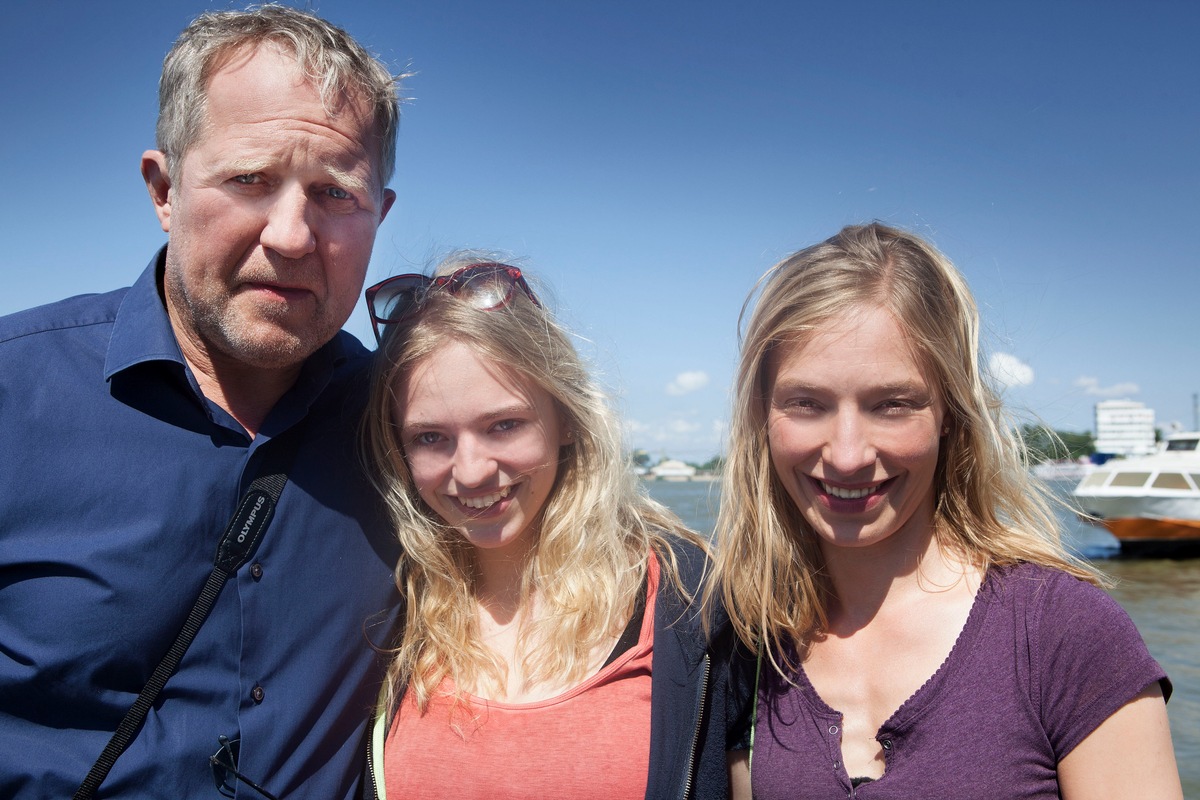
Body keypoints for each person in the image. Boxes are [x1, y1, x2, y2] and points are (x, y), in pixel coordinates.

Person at [0, 6, 402, 798]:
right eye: (249, 179)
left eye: (334, 193)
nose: (292, 235)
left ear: (379, 216)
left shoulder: (406, 432)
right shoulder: (16, 397)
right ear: (163, 188)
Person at [707, 222, 1182, 799]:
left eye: (893, 404)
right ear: (762, 415)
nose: (848, 454)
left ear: (951, 413)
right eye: (806, 404)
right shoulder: (746, 642)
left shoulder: (1065, 635)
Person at [360, 255, 738, 799]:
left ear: (565, 418)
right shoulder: (385, 607)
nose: (470, 471)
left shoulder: (689, 598)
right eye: (430, 438)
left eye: (504, 425)